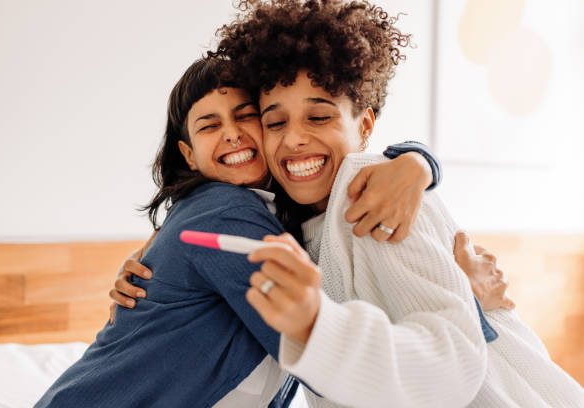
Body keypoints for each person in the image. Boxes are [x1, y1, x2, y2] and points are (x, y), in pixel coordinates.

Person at [210, 1, 584, 407]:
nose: (294, 138)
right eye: (275, 122)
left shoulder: (371, 191)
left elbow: (451, 364)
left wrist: (318, 325)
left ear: (366, 125)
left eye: (318, 118)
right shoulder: (293, 218)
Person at [35, 57, 446, 407]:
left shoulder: (267, 215)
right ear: (188, 155)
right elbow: (326, 362)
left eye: (246, 115)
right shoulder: (224, 212)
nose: (232, 133)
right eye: (209, 126)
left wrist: (418, 161)